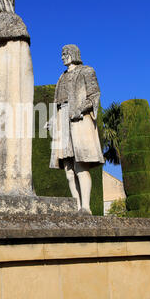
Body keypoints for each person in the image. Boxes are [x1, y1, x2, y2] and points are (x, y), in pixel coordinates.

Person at [47, 44, 104, 214]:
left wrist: (80, 109)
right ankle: (77, 206)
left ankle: (85, 207)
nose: (63, 56)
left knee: (80, 165)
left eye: (65, 53)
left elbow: (94, 96)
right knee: (68, 170)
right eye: (62, 54)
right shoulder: (61, 77)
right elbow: (58, 104)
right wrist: (52, 120)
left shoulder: (87, 71)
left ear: (74, 54)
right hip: (63, 121)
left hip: (78, 121)